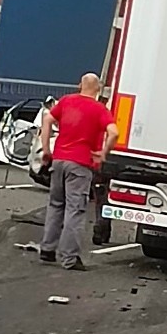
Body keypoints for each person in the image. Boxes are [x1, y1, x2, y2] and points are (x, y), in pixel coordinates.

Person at [39, 74, 118, 270]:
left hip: (59, 160)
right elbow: (114, 132)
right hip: (81, 164)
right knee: (75, 210)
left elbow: (47, 120)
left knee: (56, 204)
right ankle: (69, 258)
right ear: (98, 88)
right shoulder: (100, 110)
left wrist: (47, 149)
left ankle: (47, 249)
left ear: (79, 85)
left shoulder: (66, 101)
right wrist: (103, 152)